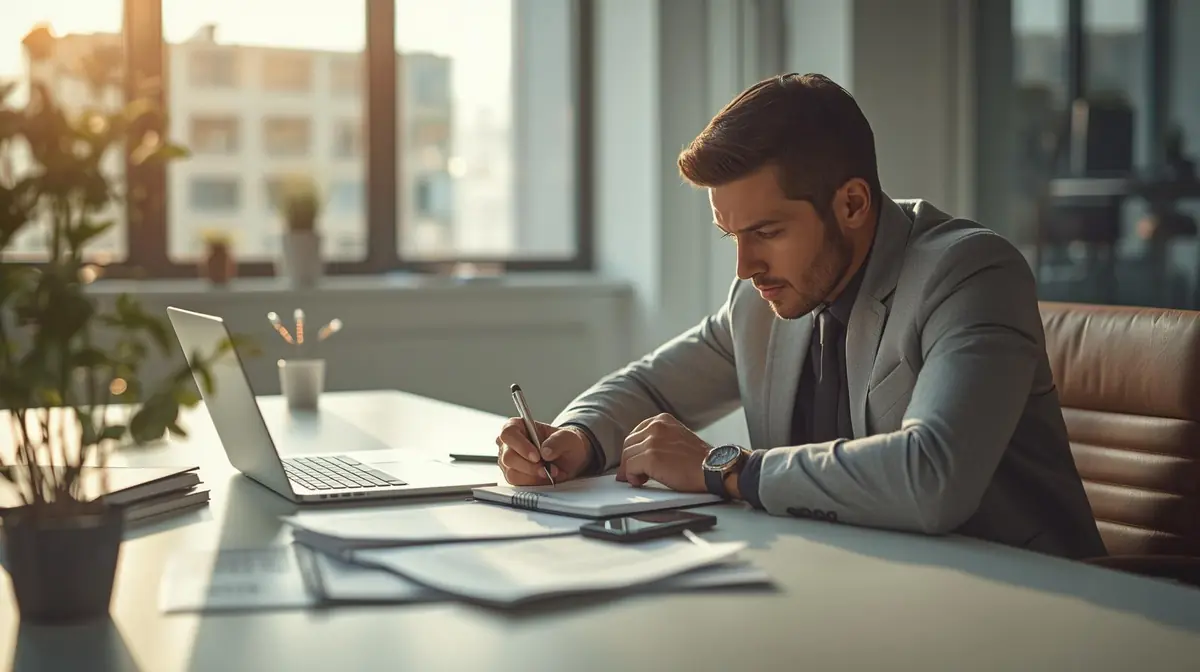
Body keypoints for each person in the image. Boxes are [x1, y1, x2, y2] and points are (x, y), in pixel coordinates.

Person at [494, 73, 1107, 560]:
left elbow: (932, 476)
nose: (744, 266)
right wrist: (576, 438)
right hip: (852, 591)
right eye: (729, 234)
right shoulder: (762, 301)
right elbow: (652, 388)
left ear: (852, 203)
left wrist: (725, 470)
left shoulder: (970, 273)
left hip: (1026, 605)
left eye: (766, 231)